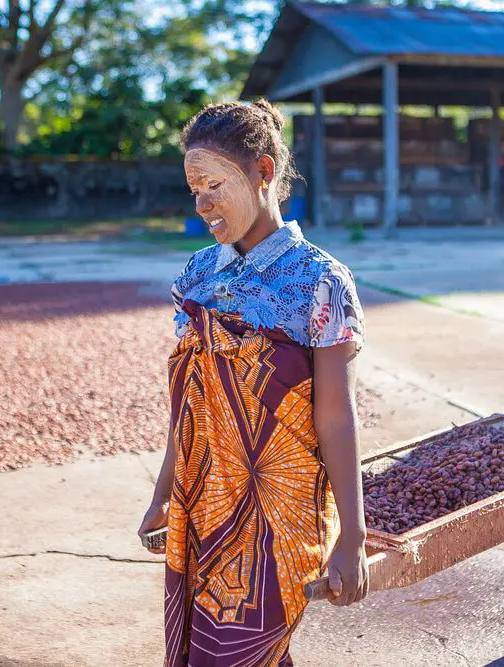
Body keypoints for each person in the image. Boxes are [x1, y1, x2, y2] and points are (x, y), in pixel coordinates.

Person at [138, 98, 369, 666]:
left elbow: (336, 416)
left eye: (215, 184)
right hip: (205, 503)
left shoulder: (320, 280)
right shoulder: (196, 276)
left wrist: (354, 537)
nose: (202, 204)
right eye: (194, 189)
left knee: (235, 653)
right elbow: (190, 402)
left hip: (280, 513)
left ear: (264, 173)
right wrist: (163, 491)